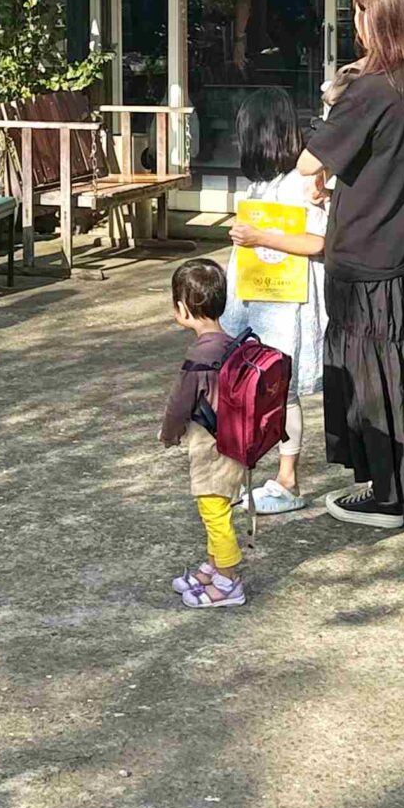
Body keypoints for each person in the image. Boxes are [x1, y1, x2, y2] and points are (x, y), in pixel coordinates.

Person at [301, 0, 404, 531]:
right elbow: (388, 160)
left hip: (363, 255)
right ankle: (401, 486)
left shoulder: (368, 90)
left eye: (360, 11)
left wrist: (335, 95)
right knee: (397, 367)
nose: (354, 21)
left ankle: (384, 496)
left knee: (364, 376)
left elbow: (310, 160)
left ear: (375, 18)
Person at [221, 87, 327, 515]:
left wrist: (260, 236)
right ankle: (261, 474)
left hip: (289, 302)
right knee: (259, 387)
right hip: (262, 299)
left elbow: (317, 241)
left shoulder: (302, 183)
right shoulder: (263, 185)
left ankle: (288, 479)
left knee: (283, 391)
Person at [161, 257, 248, 610]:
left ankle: (228, 582)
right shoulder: (234, 343)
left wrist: (169, 433)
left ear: (182, 307)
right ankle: (213, 568)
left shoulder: (200, 356)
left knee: (214, 511)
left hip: (212, 447)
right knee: (218, 505)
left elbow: (179, 403)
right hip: (236, 441)